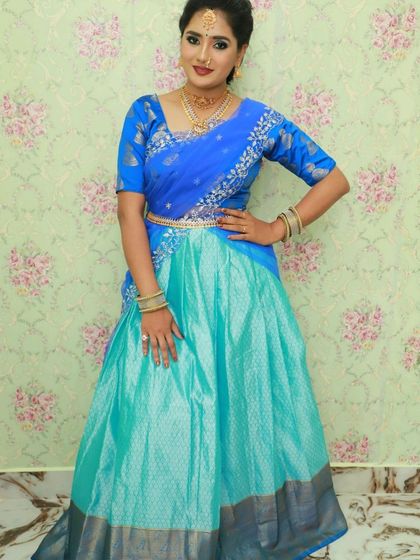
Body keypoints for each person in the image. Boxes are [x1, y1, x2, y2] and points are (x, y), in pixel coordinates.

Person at [31, 1, 351, 558]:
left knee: (231, 411)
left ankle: (230, 531)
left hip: (237, 291)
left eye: (220, 43)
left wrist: (277, 227)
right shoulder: (145, 114)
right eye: (194, 39)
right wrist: (152, 301)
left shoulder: (259, 122)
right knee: (156, 409)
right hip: (163, 281)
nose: (204, 54)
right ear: (180, 41)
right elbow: (129, 212)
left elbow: (333, 178)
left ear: (240, 54)